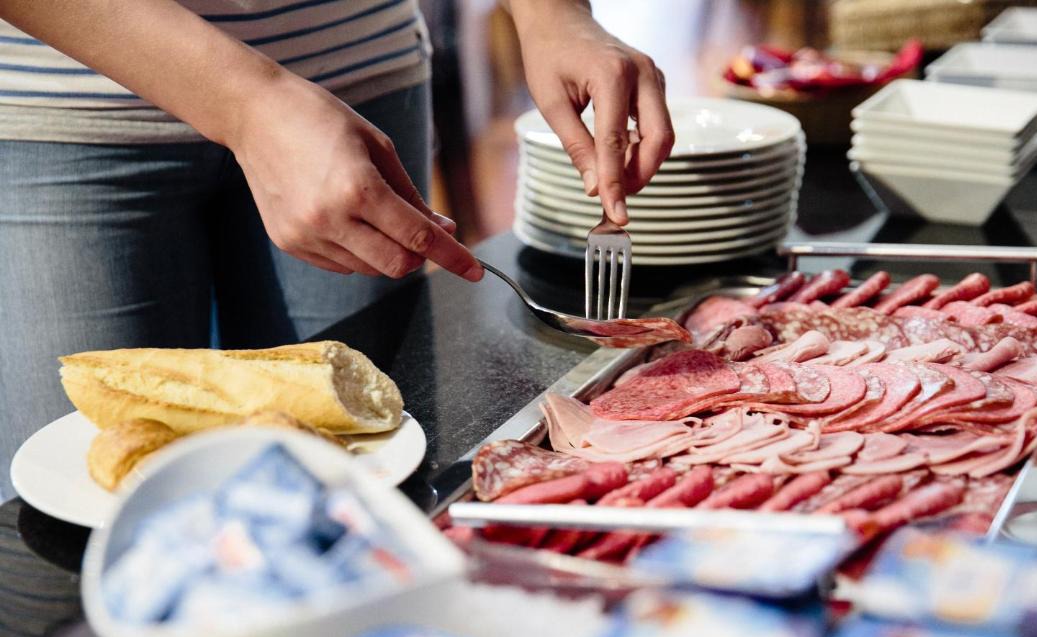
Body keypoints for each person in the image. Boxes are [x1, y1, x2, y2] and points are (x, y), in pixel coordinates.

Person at [0, 0, 674, 500]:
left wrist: (552, 11)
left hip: (355, 77)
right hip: (64, 105)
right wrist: (247, 104)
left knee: (365, 487)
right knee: (90, 515)